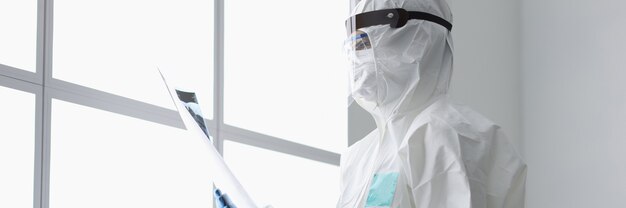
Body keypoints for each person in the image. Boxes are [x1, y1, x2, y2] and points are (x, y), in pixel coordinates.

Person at [338, 0, 527, 207]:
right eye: (354, 44)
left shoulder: (447, 132)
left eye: (365, 43)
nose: (356, 56)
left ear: (417, 38)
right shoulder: (359, 156)